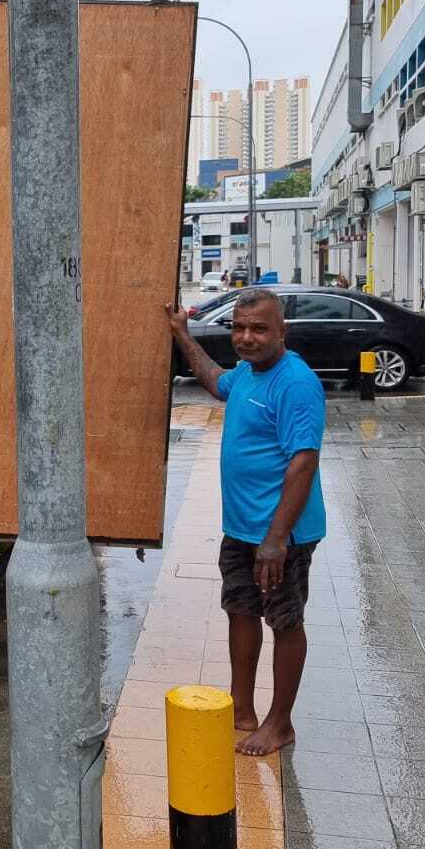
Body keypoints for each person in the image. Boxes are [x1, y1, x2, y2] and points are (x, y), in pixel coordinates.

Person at [166, 288, 325, 755]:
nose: (246, 337)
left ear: (282, 331)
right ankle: (241, 707)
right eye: (239, 328)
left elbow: (303, 463)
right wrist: (181, 333)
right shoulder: (248, 374)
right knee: (240, 608)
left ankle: (280, 723)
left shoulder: (294, 383)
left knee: (284, 620)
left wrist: (276, 540)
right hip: (241, 527)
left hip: (281, 534)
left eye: (259, 329)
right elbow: (215, 381)